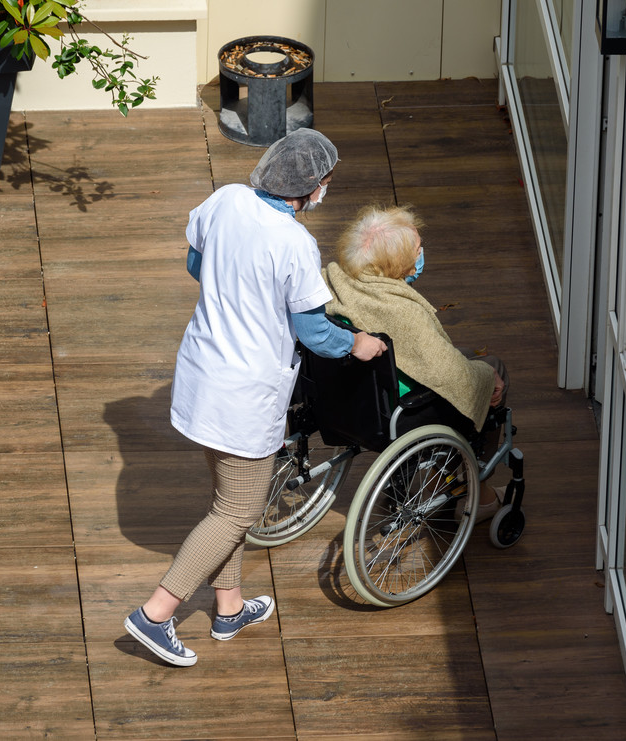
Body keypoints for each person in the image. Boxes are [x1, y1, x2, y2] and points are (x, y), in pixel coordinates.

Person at [124, 129, 387, 668]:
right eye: (326, 183)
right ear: (307, 189)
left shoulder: (226, 199)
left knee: (226, 501)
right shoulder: (294, 243)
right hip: (243, 392)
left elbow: (197, 265)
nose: (326, 191)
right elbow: (314, 333)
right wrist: (357, 344)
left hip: (202, 372)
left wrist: (235, 287)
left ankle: (229, 608)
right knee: (237, 509)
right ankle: (155, 615)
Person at [320, 204, 508, 520]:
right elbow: (451, 375)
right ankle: (480, 489)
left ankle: (438, 478)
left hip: (351, 398)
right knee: (490, 369)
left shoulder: (334, 281)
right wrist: (486, 376)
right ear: (401, 263)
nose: (421, 254)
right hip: (403, 408)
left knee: (464, 355)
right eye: (418, 249)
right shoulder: (405, 314)